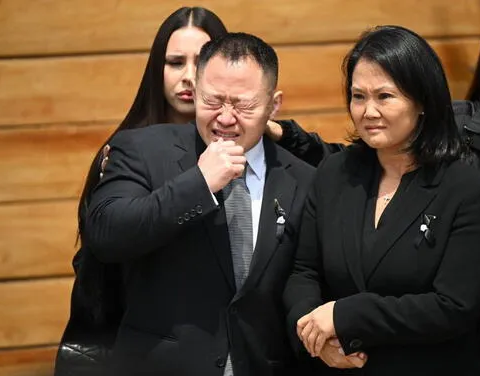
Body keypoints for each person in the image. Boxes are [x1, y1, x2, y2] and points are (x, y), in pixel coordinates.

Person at [272, 4, 480, 375]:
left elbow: (455, 303)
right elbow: (362, 158)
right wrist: (281, 132)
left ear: (420, 104)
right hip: (456, 353)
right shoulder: (459, 131)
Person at [84, 32, 315, 376]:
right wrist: (198, 184)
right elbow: (105, 233)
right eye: (212, 101)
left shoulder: (303, 178)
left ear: (273, 105)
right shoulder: (143, 150)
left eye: (243, 105)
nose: (224, 118)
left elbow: (306, 277)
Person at [282, 25, 480, 375]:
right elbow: (303, 272)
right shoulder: (335, 172)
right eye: (358, 97)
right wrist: (314, 335)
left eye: (385, 96)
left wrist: (346, 316)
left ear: (422, 102)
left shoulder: (469, 190)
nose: (368, 111)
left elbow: (455, 306)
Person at [54, 6, 228, 375]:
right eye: (175, 62)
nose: (188, 77)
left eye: (201, 61)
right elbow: (104, 248)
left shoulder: (246, 149)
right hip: (137, 346)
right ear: (156, 69)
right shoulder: (125, 149)